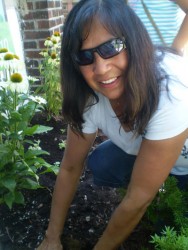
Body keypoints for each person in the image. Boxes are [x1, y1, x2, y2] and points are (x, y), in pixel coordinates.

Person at [37, 0, 188, 249]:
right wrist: (51, 238)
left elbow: (138, 199)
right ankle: (154, 177)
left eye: (112, 47)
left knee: (166, 230)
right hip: (151, 150)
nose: (101, 68)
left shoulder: (171, 90)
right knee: (102, 163)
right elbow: (70, 167)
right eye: (85, 56)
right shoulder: (87, 97)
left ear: (135, 41)